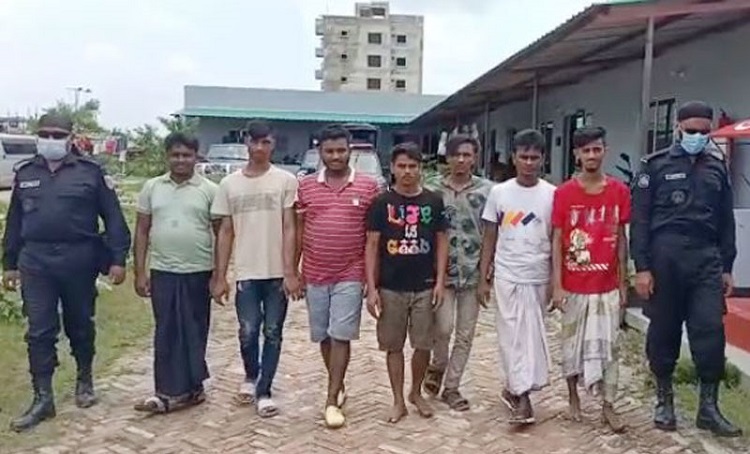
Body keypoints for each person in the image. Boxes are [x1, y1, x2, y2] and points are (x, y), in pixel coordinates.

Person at [1, 113, 131, 432]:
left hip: (78, 259)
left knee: (80, 324)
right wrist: (10, 263)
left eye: (57, 135)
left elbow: (113, 218)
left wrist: (118, 259)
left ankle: (84, 378)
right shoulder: (26, 172)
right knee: (39, 330)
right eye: (45, 134)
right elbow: (15, 221)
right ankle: (43, 398)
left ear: (70, 138)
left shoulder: (91, 172)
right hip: (36, 260)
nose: (51, 140)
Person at [631, 101, 742, 438]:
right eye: (691, 130)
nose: (697, 136)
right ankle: (664, 400)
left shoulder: (716, 167)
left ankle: (709, 407)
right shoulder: (655, 166)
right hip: (665, 260)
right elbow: (640, 221)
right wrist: (642, 267)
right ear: (678, 128)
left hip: (705, 260)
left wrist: (727, 265)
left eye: (704, 132)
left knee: (710, 331)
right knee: (663, 332)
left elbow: (726, 221)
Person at [211, 120, 301, 418]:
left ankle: (264, 391)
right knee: (248, 331)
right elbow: (226, 231)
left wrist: (290, 271)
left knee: (273, 332)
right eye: (255, 142)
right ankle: (251, 376)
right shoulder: (229, 184)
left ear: (273, 145)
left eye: (266, 142)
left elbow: (290, 227)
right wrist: (220, 276)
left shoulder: (285, 181)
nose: (260, 148)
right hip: (246, 273)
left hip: (276, 274)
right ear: (246, 142)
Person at [295, 125, 380, 428]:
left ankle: (331, 401)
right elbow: (298, 231)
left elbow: (374, 237)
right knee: (324, 336)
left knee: (340, 334)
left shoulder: (369, 187)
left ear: (350, 151)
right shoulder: (305, 187)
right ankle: (338, 383)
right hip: (315, 273)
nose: (335, 156)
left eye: (341, 150)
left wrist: (372, 280)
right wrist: (293, 270)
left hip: (351, 273)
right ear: (319, 152)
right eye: (329, 151)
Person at [132, 132, 219, 414]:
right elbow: (142, 230)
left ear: (196, 157)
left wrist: (219, 275)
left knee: (194, 330)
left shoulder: (209, 190)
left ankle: (193, 389)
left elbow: (222, 234)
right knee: (166, 332)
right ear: (167, 156)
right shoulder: (152, 187)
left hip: (198, 270)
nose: (181, 160)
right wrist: (139, 272)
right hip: (163, 270)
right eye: (175, 155)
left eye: (186, 155)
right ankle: (165, 392)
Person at [551, 126, 629, 433]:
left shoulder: (619, 191)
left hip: (607, 284)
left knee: (611, 346)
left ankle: (609, 406)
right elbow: (557, 240)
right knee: (571, 345)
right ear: (577, 154)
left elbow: (622, 239)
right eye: (586, 151)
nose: (592, 155)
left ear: (604, 151)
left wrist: (623, 282)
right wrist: (557, 285)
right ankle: (573, 398)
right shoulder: (563, 193)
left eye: (597, 149)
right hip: (573, 284)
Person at [365, 142, 449, 424]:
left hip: (425, 285)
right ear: (392, 168)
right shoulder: (381, 203)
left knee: (423, 344)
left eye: (413, 166)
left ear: (421, 168)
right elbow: (372, 245)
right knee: (393, 345)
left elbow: (442, 241)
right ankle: (398, 400)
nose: (407, 172)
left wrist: (440, 281)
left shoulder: (434, 201)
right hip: (390, 286)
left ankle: (416, 392)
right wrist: (371, 288)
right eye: (401, 166)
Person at [478, 129, 555, 424]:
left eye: (534, 157)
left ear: (543, 159)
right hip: (507, 273)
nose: (529, 163)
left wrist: (556, 280)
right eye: (524, 157)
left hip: (538, 274)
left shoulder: (552, 194)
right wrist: (483, 277)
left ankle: (516, 388)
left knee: (532, 337)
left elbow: (557, 239)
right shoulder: (499, 193)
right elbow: (490, 235)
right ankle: (522, 397)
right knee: (510, 336)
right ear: (514, 158)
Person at [421, 134, 492, 411]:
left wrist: (486, 276)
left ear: (475, 158)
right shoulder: (432, 190)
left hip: (473, 272)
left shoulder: (487, 191)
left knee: (465, 333)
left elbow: (491, 234)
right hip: (442, 273)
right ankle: (437, 365)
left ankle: (452, 387)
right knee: (443, 327)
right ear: (447, 158)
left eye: (467, 155)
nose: (461, 160)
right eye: (456, 155)